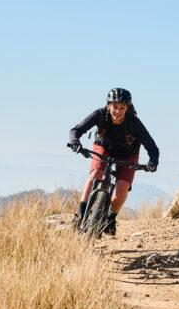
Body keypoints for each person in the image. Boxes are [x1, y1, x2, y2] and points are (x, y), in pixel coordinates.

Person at [67, 88, 159, 235]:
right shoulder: (100, 114)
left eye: (122, 108)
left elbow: (152, 148)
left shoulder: (134, 123)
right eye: (115, 107)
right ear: (109, 105)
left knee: (122, 187)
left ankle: (110, 218)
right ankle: (80, 214)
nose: (118, 111)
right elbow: (76, 130)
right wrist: (75, 142)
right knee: (96, 173)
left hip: (128, 154)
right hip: (104, 147)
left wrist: (153, 162)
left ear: (128, 108)